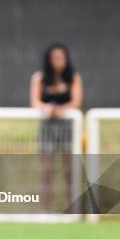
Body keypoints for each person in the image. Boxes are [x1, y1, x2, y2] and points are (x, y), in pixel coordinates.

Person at [30, 43, 83, 210]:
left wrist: (59, 110)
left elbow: (76, 102)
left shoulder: (73, 78)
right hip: (47, 128)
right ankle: (45, 208)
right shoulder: (39, 78)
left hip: (67, 128)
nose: (59, 61)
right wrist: (47, 110)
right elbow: (35, 102)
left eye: (61, 58)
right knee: (47, 170)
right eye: (55, 58)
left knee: (69, 169)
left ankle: (73, 207)